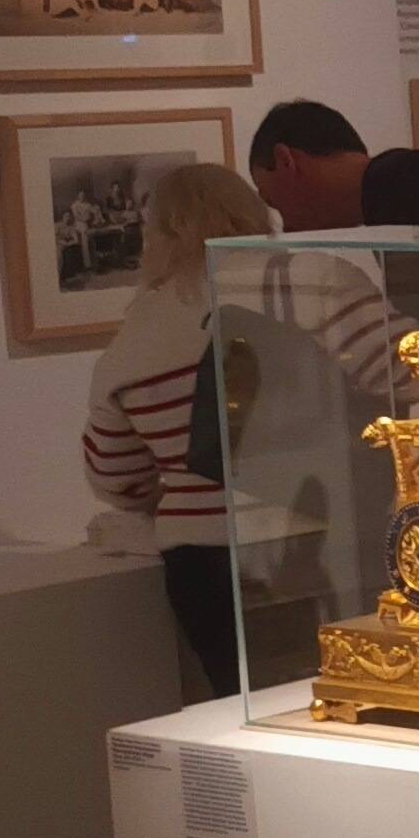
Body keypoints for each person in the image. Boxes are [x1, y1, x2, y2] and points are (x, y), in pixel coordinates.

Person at [82, 164, 286, 695]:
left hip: (202, 558)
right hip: (317, 527)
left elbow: (115, 476)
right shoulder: (297, 286)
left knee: (242, 706)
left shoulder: (137, 335)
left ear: (162, 231)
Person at [248, 98, 419, 229]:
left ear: (286, 162)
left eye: (273, 201)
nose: (287, 226)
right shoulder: (397, 181)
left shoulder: (399, 189)